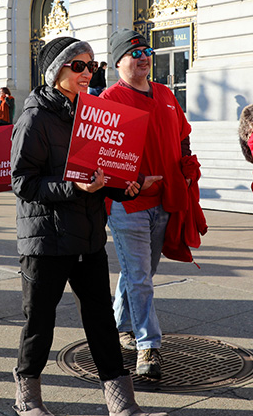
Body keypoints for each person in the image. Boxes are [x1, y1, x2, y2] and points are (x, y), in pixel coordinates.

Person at [11, 36, 167, 416]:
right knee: (39, 323)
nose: (87, 72)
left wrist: (127, 186)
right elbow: (22, 182)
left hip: (88, 236)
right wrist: (72, 185)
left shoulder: (95, 113)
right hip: (45, 242)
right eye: (77, 65)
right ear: (56, 72)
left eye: (91, 65)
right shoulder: (34, 117)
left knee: (100, 320)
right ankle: (26, 398)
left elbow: (103, 174)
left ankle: (122, 403)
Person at [100, 29, 194, 381]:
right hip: (129, 205)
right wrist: (133, 181)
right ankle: (148, 346)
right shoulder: (109, 99)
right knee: (140, 277)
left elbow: (183, 136)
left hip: (166, 201)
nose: (143, 57)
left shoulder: (167, 94)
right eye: (134, 52)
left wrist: (186, 167)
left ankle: (120, 324)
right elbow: (100, 157)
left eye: (146, 50)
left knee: (139, 273)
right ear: (118, 62)